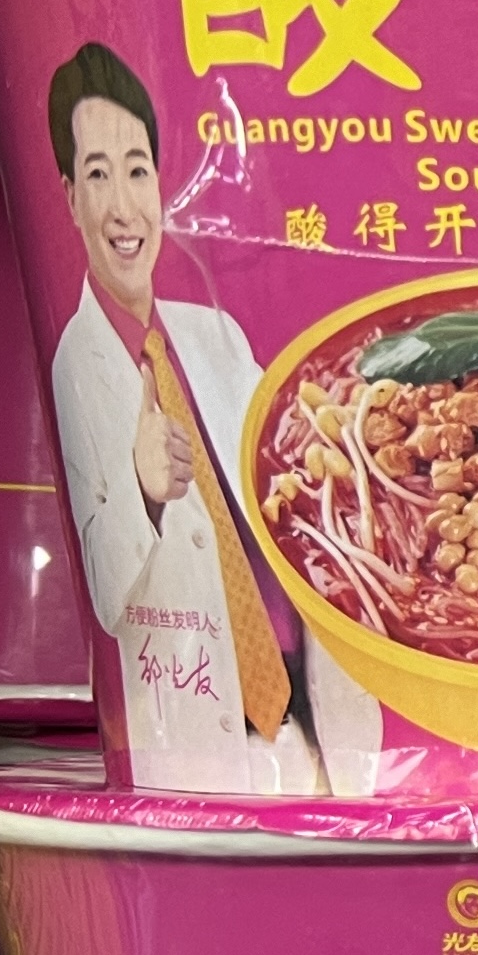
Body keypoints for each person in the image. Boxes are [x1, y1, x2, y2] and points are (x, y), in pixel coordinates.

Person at [42, 43, 375, 791]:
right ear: (69, 197)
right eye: (98, 175)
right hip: (209, 745)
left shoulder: (214, 335)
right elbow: (106, 598)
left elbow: (290, 491)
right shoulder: (75, 364)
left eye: (137, 171)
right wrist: (142, 493)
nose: (123, 207)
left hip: (316, 728)